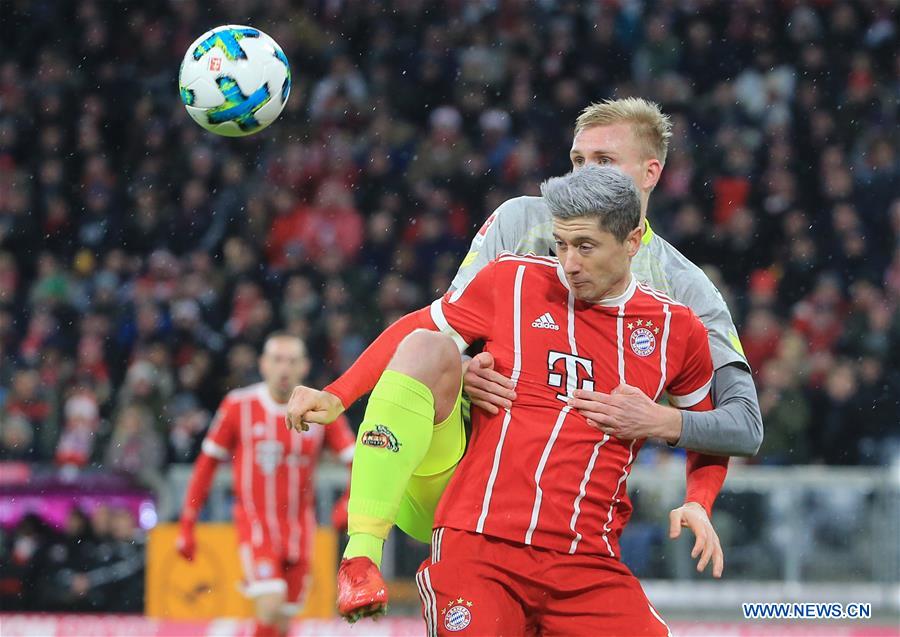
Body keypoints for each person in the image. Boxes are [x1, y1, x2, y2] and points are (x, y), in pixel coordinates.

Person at [288, 166, 728, 634]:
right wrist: (338, 394)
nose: (569, 263)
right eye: (561, 244)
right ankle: (360, 556)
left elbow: (709, 431)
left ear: (632, 241)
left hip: (587, 562)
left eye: (585, 246)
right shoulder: (512, 281)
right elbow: (419, 328)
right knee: (426, 346)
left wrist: (699, 500)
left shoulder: (676, 329)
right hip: (479, 544)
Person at [177, 333, 355, 637]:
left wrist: (349, 501)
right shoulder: (238, 406)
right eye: (277, 360)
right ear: (263, 364)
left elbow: (356, 460)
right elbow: (206, 465)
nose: (284, 368)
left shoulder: (320, 409)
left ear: (304, 366)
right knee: (270, 605)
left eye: (292, 361)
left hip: (300, 529)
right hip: (256, 524)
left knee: (283, 621)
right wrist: (187, 523)